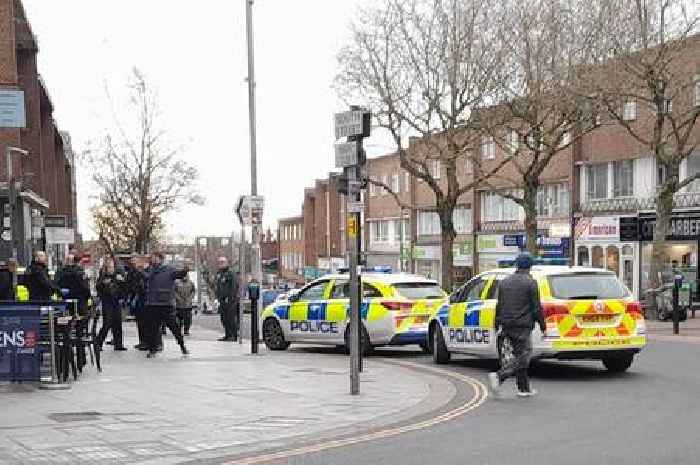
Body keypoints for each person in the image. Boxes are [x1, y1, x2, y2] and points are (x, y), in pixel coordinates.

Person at [488, 252, 546, 398]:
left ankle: (523, 389)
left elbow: (499, 305)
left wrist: (497, 324)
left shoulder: (505, 281)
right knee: (525, 355)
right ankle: (499, 376)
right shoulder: (530, 282)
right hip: (522, 325)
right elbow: (536, 308)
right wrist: (543, 326)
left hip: (506, 324)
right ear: (530, 266)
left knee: (520, 355)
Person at [144, 252, 189, 358]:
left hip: (166, 303)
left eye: (155, 258)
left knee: (174, 326)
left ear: (161, 259)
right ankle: (152, 349)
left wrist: (185, 270)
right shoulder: (150, 270)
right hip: (153, 303)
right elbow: (145, 278)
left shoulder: (169, 269)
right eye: (152, 258)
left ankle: (182, 346)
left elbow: (179, 274)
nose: (153, 260)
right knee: (152, 328)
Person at [96, 258, 127, 351]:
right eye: (109, 267)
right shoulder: (103, 277)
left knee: (117, 323)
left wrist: (122, 281)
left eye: (112, 267)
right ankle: (98, 342)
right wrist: (103, 284)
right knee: (107, 323)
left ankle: (118, 344)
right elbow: (98, 288)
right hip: (107, 302)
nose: (111, 269)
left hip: (116, 301)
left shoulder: (117, 277)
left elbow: (124, 288)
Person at [215, 257, 239, 342]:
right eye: (219, 262)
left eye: (222, 262)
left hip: (230, 300)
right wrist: (217, 296)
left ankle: (233, 335)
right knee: (224, 318)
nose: (220, 264)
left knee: (231, 318)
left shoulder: (231, 273)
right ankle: (227, 335)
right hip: (222, 300)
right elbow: (218, 286)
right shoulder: (219, 274)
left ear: (226, 263)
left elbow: (234, 286)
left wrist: (230, 298)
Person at [126, 256, 148, 350]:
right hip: (137, 298)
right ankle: (142, 341)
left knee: (145, 322)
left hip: (144, 299)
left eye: (135, 261)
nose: (133, 263)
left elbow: (144, 284)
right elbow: (129, 283)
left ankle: (146, 342)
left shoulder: (144, 271)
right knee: (139, 321)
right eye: (132, 261)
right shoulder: (132, 272)